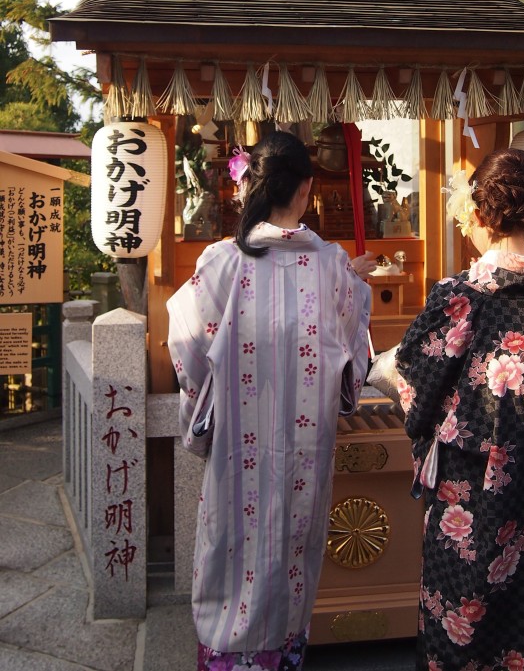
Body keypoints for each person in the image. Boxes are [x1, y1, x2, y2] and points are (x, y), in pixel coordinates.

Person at [167, 131, 371, 671]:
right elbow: (353, 356)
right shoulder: (332, 267)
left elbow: (185, 341)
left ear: (251, 186)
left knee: (230, 551)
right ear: (306, 188)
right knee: (290, 558)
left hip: (238, 448)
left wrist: (203, 416)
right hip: (306, 452)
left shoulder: (221, 263)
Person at [395, 147, 524, 671]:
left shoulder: (462, 297)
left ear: (480, 214)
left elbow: (415, 379)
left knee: (471, 609)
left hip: (484, 483)